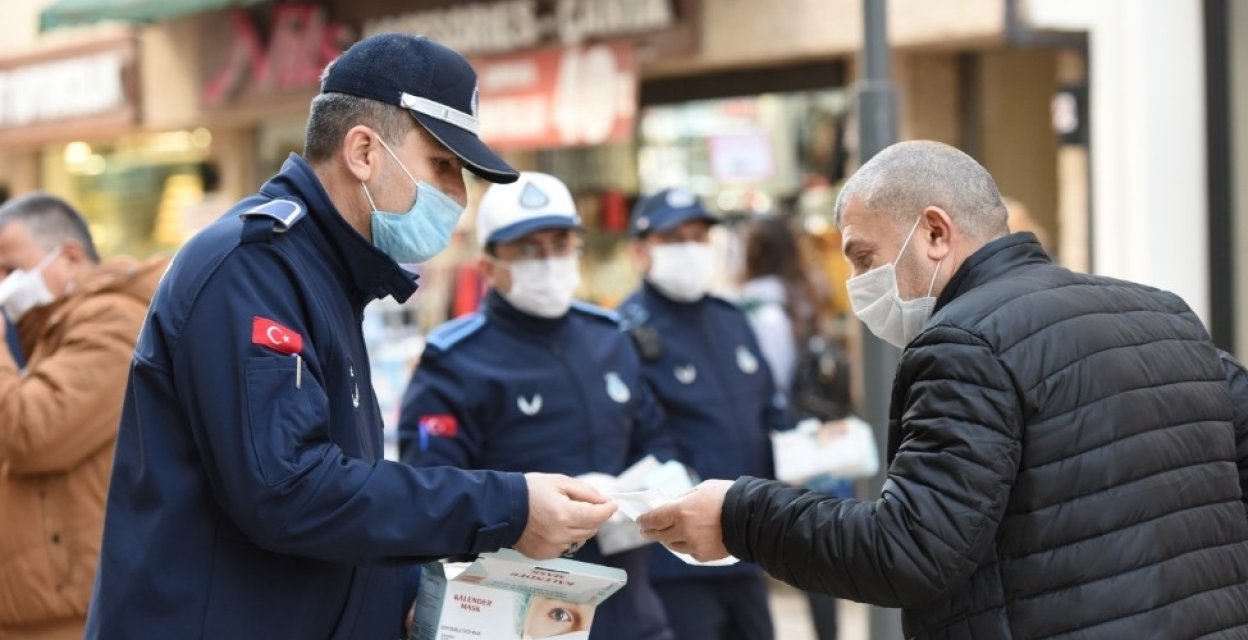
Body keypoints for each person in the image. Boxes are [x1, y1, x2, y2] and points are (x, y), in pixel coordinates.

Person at [87, 34, 615, 640]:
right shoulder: (253, 268)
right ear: (363, 151)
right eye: (442, 166)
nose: (457, 197)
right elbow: (288, 491)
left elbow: (338, 496)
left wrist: (411, 595)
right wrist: (508, 508)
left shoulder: (328, 273)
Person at [638, 140, 1248, 638]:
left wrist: (740, 515)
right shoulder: (1159, 311)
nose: (860, 282)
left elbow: (909, 548)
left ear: (936, 233)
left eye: (863, 257)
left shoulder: (964, 344)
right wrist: (1206, 595)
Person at [398, 172, 676, 640]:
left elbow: (659, 444)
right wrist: (522, 510)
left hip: (629, 606)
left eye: (561, 242)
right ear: (488, 267)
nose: (548, 261)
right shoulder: (457, 360)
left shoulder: (609, 338)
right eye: (527, 249)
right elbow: (430, 490)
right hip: (517, 615)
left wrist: (634, 497)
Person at [619, 188, 784, 640]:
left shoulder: (730, 318)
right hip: (677, 563)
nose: (690, 248)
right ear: (640, 251)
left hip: (747, 545)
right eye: (674, 239)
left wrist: (806, 446)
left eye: (698, 236)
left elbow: (770, 408)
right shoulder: (624, 332)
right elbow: (636, 435)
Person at [0, 194, 165, 640]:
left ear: (70, 257)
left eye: (11, 270)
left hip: (69, 616)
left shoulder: (111, 321)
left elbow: (32, 433)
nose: (4, 285)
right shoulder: (52, 331)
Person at [737, 215, 845, 640]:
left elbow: (769, 383)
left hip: (776, 442)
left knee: (763, 540)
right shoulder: (806, 296)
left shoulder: (751, 305)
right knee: (813, 542)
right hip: (812, 443)